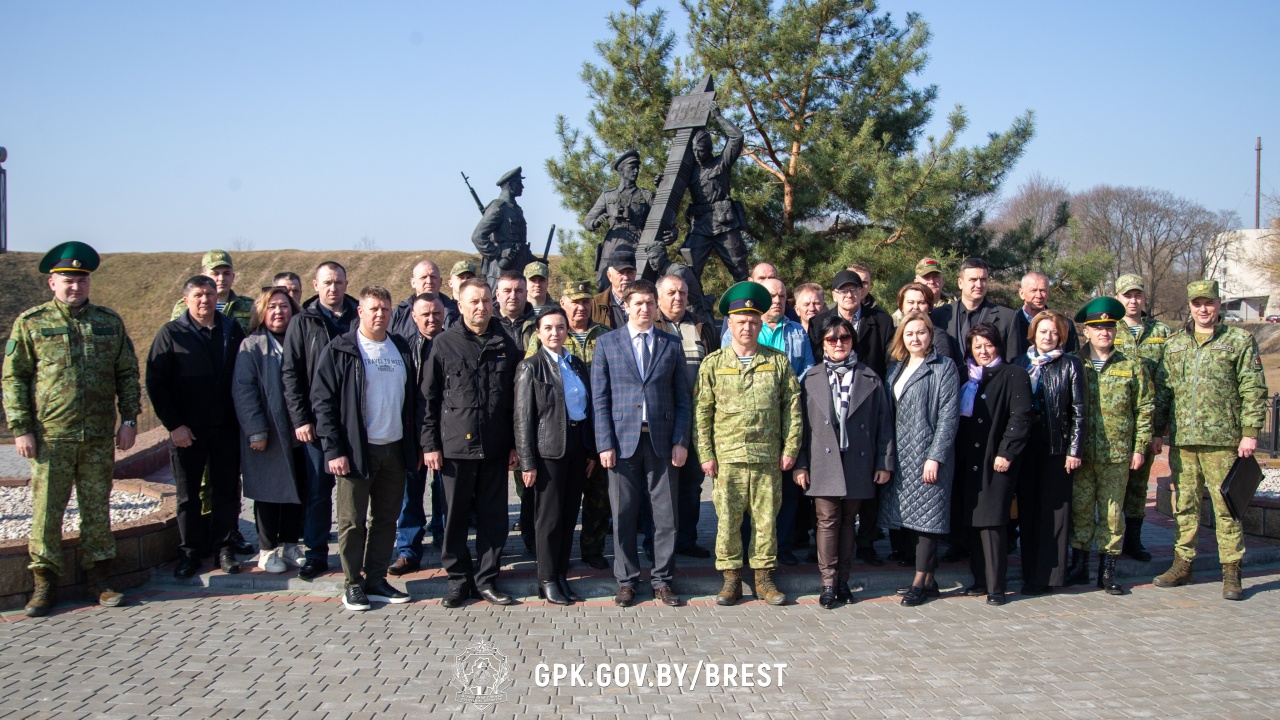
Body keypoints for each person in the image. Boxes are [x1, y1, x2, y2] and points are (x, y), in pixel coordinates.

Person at [4, 242, 141, 617]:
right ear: (52, 283)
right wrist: (21, 428)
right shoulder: (32, 323)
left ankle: (100, 579)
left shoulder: (108, 321)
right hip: (51, 436)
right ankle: (44, 584)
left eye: (81, 280)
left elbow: (127, 373)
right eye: (67, 280)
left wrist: (128, 420)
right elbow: (14, 378)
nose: (75, 286)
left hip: (97, 436)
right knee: (47, 510)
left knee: (97, 508)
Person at [1153, 280, 1268, 601]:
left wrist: (1250, 432)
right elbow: (1164, 391)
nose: (1203, 309)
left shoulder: (1238, 341)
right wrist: (1156, 432)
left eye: (1209, 303)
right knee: (1185, 505)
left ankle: (1231, 570)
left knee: (1226, 508)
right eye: (1197, 303)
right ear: (1189, 306)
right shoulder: (1174, 345)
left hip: (1224, 441)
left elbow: (1253, 388)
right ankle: (1182, 564)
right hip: (1185, 441)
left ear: (1219, 304)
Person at [696, 282, 803, 607]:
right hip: (727, 460)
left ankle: (763, 578)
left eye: (753, 321)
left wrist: (790, 449)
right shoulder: (713, 364)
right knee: (727, 522)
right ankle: (731, 579)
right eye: (740, 321)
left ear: (760, 324)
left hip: (767, 458)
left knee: (765, 521)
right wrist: (706, 454)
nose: (747, 326)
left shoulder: (778, 361)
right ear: (729, 323)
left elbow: (793, 408)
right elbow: (702, 412)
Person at [311, 286, 418, 611]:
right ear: (360, 311)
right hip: (357, 451)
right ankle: (352, 583)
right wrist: (334, 450)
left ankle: (375, 579)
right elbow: (323, 402)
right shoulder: (342, 349)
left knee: (386, 520)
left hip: (394, 449)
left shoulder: (398, 346)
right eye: (373, 309)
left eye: (385, 309)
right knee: (353, 521)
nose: (380, 314)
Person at [421, 279, 522, 608]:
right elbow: (428, 400)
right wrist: (429, 444)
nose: (481, 307)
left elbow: (515, 402)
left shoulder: (507, 343)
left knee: (494, 518)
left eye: (486, 301)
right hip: (455, 449)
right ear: (460, 306)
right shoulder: (444, 344)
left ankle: (487, 579)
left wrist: (515, 445)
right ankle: (458, 579)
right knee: (456, 517)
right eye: (474, 302)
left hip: (494, 447)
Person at [591, 279, 692, 608]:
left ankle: (663, 580)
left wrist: (681, 440)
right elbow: (600, 399)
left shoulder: (671, 343)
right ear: (626, 306)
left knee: (666, 517)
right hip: (621, 445)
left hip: (662, 443)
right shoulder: (607, 344)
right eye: (638, 303)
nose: (645, 308)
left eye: (650, 303)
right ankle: (627, 581)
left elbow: (682, 400)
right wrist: (604, 443)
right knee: (623, 515)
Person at [147, 275, 247, 578]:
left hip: (226, 428)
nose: (205, 300)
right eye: (199, 295)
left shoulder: (231, 329)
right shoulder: (171, 333)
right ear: (186, 299)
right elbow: (156, 383)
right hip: (187, 432)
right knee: (188, 495)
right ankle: (190, 553)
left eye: (210, 294)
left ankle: (223, 548)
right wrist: (174, 425)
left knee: (226, 491)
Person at [794, 315, 894, 609]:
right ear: (822, 343)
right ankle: (827, 583)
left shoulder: (870, 377)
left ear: (853, 341)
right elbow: (799, 426)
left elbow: (883, 425)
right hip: (822, 461)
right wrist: (800, 463)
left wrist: (883, 462)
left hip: (857, 461)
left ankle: (844, 581)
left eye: (845, 338)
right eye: (831, 339)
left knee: (849, 521)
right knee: (826, 521)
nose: (839, 344)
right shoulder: (810, 377)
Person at [720, 277, 814, 565]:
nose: (777, 300)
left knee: (780, 498)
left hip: (778, 429)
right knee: (741, 506)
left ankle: (779, 552)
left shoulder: (797, 332)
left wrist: (782, 389)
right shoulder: (728, 342)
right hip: (737, 440)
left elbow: (808, 370)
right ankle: (742, 558)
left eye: (782, 296)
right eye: (772, 295)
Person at [1067, 298, 1153, 596]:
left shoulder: (1132, 366)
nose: (1104, 332)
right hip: (1081, 454)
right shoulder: (1074, 362)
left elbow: (1145, 409)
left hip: (1117, 454)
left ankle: (1107, 571)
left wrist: (1140, 447)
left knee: (1112, 514)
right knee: (1080, 511)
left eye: (1109, 327)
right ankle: (1078, 566)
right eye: (1097, 327)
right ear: (1086, 332)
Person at [526, 280, 613, 568]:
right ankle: (549, 557)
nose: (581, 306)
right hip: (554, 435)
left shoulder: (606, 335)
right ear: (563, 303)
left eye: (586, 301)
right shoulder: (545, 338)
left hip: (591, 430)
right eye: (575, 301)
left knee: (598, 499)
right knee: (554, 505)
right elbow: (531, 388)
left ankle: (592, 549)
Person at [282, 261, 360, 580]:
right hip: (317, 424)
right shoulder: (303, 322)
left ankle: (354, 551)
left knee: (356, 492)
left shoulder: (359, 316)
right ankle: (315, 552)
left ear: (345, 283)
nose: (333, 288)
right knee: (318, 490)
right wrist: (301, 418)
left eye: (338, 282)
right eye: (327, 283)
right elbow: (291, 373)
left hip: (355, 423)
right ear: (316, 286)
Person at [514, 307, 596, 605]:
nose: (555, 333)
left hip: (576, 446)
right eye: (548, 327)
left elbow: (587, 410)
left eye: (560, 327)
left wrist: (591, 450)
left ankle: (561, 575)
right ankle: (546, 579)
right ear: (538, 332)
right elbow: (522, 418)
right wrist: (527, 461)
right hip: (548, 451)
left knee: (568, 516)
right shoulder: (531, 367)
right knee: (548, 519)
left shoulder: (575, 363)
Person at [881, 312, 959, 607]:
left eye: (921, 333)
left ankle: (919, 581)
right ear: (902, 336)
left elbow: (948, 418)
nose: (916, 338)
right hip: (900, 455)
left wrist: (935, 457)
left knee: (928, 519)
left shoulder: (944, 367)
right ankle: (930, 579)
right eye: (909, 333)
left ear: (930, 335)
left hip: (928, 456)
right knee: (911, 520)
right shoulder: (895, 368)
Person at [954, 322, 1032, 605]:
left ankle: (997, 586)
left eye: (988, 345)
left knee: (993, 522)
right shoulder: (965, 376)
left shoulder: (1014, 375)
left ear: (997, 345)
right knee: (974, 521)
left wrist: (1007, 452)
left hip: (996, 460)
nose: (983, 351)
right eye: (977, 346)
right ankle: (979, 580)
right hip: (967, 460)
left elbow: (1020, 417)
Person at [232, 288, 307, 574]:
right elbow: (244, 391)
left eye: (284, 307)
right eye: (272, 307)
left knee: (295, 491)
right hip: (269, 433)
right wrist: (256, 430)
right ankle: (266, 550)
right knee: (268, 492)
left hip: (298, 433)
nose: (279, 312)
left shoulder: (298, 340)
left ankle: (290, 545)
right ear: (262, 312)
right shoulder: (251, 346)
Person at [1012, 310, 1085, 595]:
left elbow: (1079, 411)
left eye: (1054, 332)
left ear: (1061, 336)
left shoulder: (1070, 365)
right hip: (1025, 447)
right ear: (1033, 333)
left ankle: (1050, 575)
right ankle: (1031, 573)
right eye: (1043, 331)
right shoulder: (1020, 363)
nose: (1048, 337)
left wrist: (1074, 449)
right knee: (1028, 512)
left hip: (1057, 447)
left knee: (1054, 512)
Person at [656, 274, 718, 560]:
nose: (677, 297)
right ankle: (658, 544)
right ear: (659, 296)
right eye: (671, 292)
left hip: (696, 420)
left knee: (692, 484)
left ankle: (687, 540)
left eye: (682, 292)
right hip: (661, 419)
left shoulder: (702, 326)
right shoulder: (650, 325)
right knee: (660, 486)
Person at [1112, 273, 1169, 561]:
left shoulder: (1160, 331)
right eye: (1127, 295)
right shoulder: (1109, 328)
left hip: (1147, 422)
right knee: (1114, 485)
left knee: (1138, 484)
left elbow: (1167, 382)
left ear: (1144, 298)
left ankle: (1134, 540)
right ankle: (1111, 539)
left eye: (1137, 295)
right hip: (1114, 422)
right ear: (1118, 298)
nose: (1132, 301)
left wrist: (1159, 430)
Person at [389, 293, 448, 576]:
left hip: (448, 434)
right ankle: (408, 551)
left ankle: (447, 544)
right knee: (410, 495)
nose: (431, 318)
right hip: (412, 433)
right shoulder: (401, 349)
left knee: (446, 494)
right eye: (425, 313)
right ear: (413, 317)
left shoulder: (454, 345)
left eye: (436, 313)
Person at [681, 105, 749, 282]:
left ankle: (746, 305)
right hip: (700, 225)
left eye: (701, 149)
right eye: (695, 150)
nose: (697, 154)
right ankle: (696, 305)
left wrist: (718, 117)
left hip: (724, 223)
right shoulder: (690, 171)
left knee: (739, 266)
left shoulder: (721, 163)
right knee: (690, 268)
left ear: (709, 148)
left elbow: (737, 137)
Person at [930, 257, 1020, 365]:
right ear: (960, 283)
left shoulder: (1007, 317)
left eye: (983, 279)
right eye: (973, 280)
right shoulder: (937, 315)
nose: (979, 285)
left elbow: (1014, 361)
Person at [585, 149, 652, 291]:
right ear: (622, 170)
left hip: (638, 241)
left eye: (637, 168)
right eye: (632, 168)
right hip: (613, 242)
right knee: (604, 282)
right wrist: (596, 222)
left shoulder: (646, 196)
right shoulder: (608, 196)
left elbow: (662, 221)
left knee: (639, 282)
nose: (636, 171)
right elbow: (588, 220)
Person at [472, 167, 534, 288]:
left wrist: (534, 259)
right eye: (519, 183)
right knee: (497, 303)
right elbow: (477, 236)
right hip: (500, 271)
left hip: (519, 269)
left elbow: (518, 243)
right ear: (510, 185)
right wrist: (498, 253)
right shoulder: (498, 208)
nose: (522, 187)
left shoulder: (516, 209)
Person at [169, 249, 254, 333]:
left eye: (226, 273)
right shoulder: (184, 306)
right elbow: (175, 336)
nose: (221, 278)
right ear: (203, 277)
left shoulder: (249, 306)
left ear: (233, 276)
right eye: (215, 274)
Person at [1010, 271, 1079, 357]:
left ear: (1048, 293)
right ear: (1021, 293)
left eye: (1043, 290)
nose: (1039, 295)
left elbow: (1074, 358)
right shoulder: (1010, 323)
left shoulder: (1065, 324)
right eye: (1033, 290)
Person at [896, 283, 959, 366]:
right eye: (910, 302)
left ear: (929, 307)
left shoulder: (938, 337)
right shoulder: (894, 333)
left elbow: (941, 369)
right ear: (901, 307)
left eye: (921, 302)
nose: (915, 307)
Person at [389, 260, 442, 343]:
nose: (429, 281)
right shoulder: (399, 313)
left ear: (441, 281)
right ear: (413, 282)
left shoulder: (455, 312)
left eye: (433, 277)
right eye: (423, 277)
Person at [892, 257, 953, 325]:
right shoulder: (901, 315)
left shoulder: (955, 306)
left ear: (943, 281)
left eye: (935, 276)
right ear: (916, 282)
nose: (931, 281)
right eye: (926, 277)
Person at [592, 253, 636, 329]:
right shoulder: (594, 304)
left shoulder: (647, 302)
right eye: (621, 273)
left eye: (629, 272)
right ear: (609, 276)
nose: (625, 277)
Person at [443, 260, 476, 327]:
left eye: (469, 277)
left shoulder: (482, 306)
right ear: (450, 283)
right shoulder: (445, 308)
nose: (465, 281)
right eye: (461, 278)